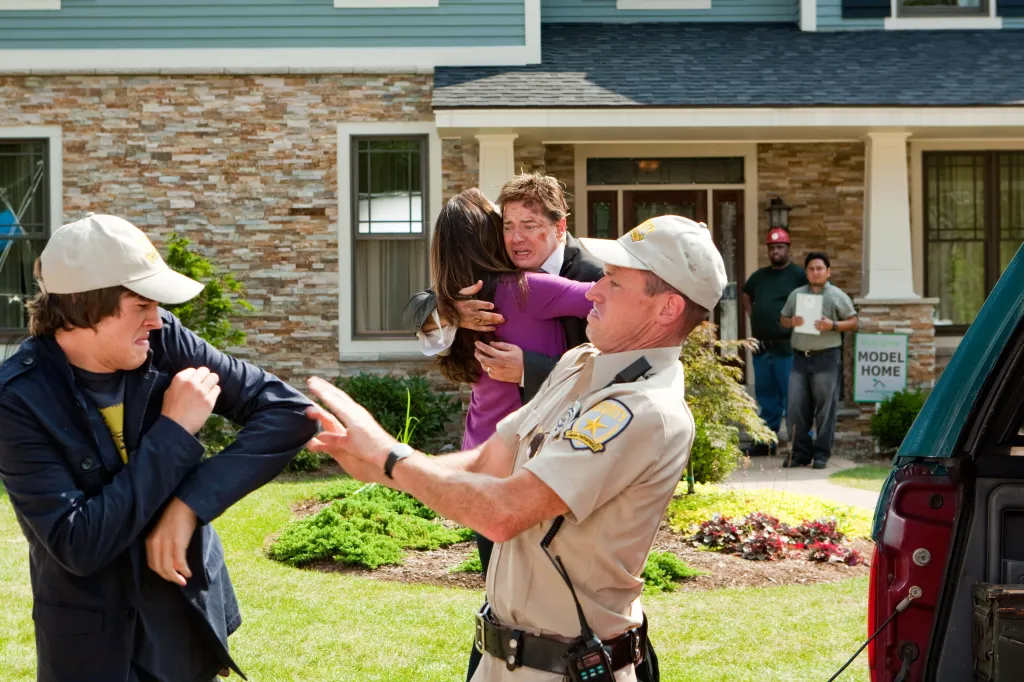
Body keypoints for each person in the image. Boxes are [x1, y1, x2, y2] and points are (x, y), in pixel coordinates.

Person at [306, 215, 727, 682]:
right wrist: (380, 466)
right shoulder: (581, 363)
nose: (593, 290)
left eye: (614, 281)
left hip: (567, 668)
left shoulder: (643, 410)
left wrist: (391, 456)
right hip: (500, 660)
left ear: (667, 308)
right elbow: (489, 460)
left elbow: (504, 512)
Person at [0, 213, 318, 682]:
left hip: (185, 621)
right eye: (141, 304)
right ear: (85, 305)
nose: (156, 319)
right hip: (91, 647)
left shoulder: (163, 340)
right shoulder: (17, 399)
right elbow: (79, 543)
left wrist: (186, 507)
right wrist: (174, 430)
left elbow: (291, 413)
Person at [405, 173, 604, 402]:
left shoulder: (597, 277)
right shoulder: (502, 271)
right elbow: (414, 312)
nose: (516, 238)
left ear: (559, 228)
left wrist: (531, 370)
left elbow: (619, 366)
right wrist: (452, 312)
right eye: (507, 226)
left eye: (529, 226)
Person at [779, 251, 858, 469]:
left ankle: (822, 454)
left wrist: (832, 325)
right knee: (796, 408)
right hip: (799, 359)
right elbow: (783, 318)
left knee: (825, 410)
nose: (816, 272)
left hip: (826, 358)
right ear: (806, 272)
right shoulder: (796, 295)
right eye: (811, 269)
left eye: (820, 268)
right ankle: (799, 454)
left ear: (828, 272)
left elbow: (853, 322)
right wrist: (791, 321)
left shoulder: (836, 295)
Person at [740, 227, 807, 455]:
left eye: (779, 247)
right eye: (771, 248)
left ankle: (800, 443)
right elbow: (746, 293)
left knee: (793, 397)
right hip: (762, 347)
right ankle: (766, 442)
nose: (775, 251)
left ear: (788, 249)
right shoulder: (760, 276)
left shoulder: (798, 275)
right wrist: (753, 314)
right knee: (766, 397)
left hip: (786, 348)